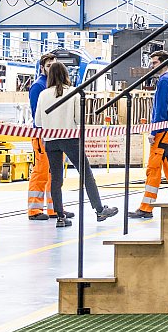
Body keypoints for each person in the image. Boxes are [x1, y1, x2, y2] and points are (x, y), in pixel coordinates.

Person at [36, 61, 118, 227]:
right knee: (86, 174)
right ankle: (99, 210)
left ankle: (60, 216)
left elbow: (38, 121)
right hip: (70, 139)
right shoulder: (73, 93)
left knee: (56, 179)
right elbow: (79, 119)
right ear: (66, 74)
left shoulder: (43, 94)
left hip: (50, 141)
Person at [129, 48, 168, 220]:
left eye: (155, 63)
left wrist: (154, 131)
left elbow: (160, 109)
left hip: (163, 132)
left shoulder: (164, 81)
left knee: (153, 169)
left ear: (164, 63)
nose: (152, 66)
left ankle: (146, 208)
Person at [25, 54, 55, 220]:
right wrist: (43, 133)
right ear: (42, 68)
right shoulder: (38, 86)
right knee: (41, 171)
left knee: (54, 174)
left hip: (54, 135)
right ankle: (34, 209)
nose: (52, 68)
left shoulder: (53, 85)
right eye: (49, 65)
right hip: (42, 135)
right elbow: (36, 113)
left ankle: (54, 208)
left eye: (54, 65)